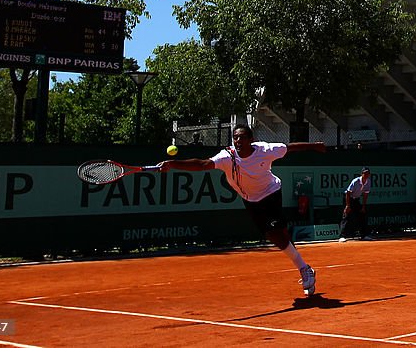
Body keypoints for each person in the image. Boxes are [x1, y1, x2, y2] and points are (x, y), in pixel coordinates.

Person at [158, 123, 326, 297]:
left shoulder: (265, 150)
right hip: (250, 200)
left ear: (251, 140)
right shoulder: (227, 157)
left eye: (242, 137)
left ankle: (304, 269)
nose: (238, 140)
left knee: (275, 232)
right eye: (235, 137)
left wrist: (315, 146)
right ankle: (305, 267)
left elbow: (289, 148)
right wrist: (172, 164)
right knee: (275, 235)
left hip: (271, 193)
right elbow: (202, 164)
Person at [339, 167, 372, 241]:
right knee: (346, 216)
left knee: (362, 215)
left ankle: (364, 235)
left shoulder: (368, 182)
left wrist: (363, 207)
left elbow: (365, 195)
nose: (366, 174)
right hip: (348, 198)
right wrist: (347, 205)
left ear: (369, 174)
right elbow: (348, 193)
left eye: (367, 173)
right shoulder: (356, 181)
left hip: (356, 199)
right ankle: (342, 236)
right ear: (362, 174)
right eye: (364, 173)